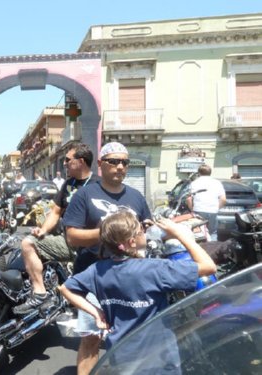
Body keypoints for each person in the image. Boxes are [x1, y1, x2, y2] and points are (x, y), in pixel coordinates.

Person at [59, 210, 217, 370]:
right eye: (142, 230)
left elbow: (65, 288)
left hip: (120, 355)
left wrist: (96, 312)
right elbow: (209, 267)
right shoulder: (154, 269)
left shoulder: (97, 270)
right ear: (132, 241)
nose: (145, 233)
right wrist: (180, 234)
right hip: (158, 358)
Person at [63, 141, 152, 375]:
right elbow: (72, 236)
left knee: (131, 337)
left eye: (124, 162)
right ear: (101, 164)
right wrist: (107, 233)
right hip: (95, 277)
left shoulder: (136, 197)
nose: (120, 166)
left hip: (130, 279)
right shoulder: (85, 194)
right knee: (91, 338)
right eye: (114, 161)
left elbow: (144, 234)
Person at [13, 143, 96, 314]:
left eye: (67, 160)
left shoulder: (98, 185)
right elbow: (56, 212)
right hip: (67, 242)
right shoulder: (68, 185)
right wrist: (43, 230)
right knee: (28, 243)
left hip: (93, 246)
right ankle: (40, 293)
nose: (64, 163)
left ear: (80, 162)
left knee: (87, 297)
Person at [186, 164, 226, 241]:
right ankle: (213, 250)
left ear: (199, 173)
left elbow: (188, 199)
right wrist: (216, 208)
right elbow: (223, 199)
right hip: (213, 211)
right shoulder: (217, 183)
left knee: (199, 233)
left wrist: (192, 209)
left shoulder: (194, 183)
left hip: (198, 210)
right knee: (213, 232)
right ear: (210, 172)